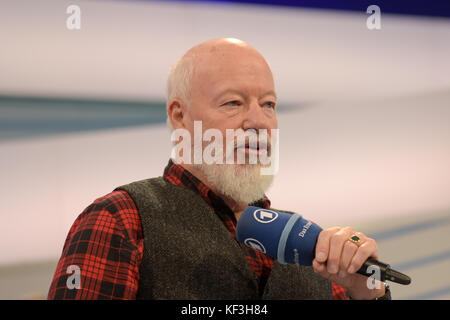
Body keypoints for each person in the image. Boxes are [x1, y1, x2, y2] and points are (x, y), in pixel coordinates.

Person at [48, 38, 390, 300]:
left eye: (269, 104)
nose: (259, 122)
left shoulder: (307, 244)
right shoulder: (120, 219)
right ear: (180, 116)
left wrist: (366, 292)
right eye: (233, 103)